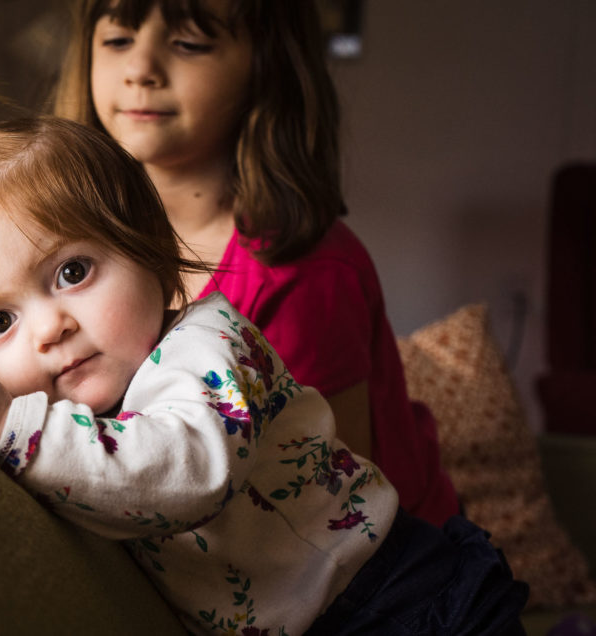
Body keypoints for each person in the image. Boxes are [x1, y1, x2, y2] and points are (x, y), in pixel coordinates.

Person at [0, 52, 527, 634]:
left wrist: (12, 426)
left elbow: (183, 471)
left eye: (72, 272)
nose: (50, 328)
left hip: (403, 599)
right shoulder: (86, 415)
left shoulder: (207, 349)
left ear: (156, 259)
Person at [53, 0, 459, 527]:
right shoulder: (67, 245)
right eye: (117, 39)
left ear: (266, 67)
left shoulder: (307, 275)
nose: (140, 70)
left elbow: (339, 515)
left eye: (190, 44)